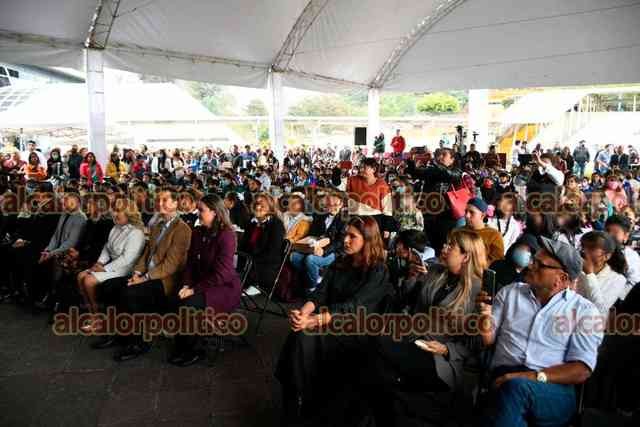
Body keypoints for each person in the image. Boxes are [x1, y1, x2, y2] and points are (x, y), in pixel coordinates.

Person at [358, 229, 487, 426]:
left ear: (466, 256)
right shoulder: (436, 271)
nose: (444, 248)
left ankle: (376, 415)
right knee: (375, 364)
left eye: (451, 246)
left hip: (439, 357)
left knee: (377, 353)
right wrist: (412, 278)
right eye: (446, 244)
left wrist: (446, 349)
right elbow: (407, 301)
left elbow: (476, 343)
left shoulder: (477, 292)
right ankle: (385, 414)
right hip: (412, 338)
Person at [476, 237, 603, 427]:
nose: (530, 266)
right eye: (532, 260)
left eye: (540, 265)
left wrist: (531, 377)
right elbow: (487, 340)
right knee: (507, 400)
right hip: (503, 377)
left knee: (513, 390)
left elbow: (581, 370)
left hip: (553, 388)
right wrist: (484, 314)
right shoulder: (510, 293)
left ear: (562, 279)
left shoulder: (585, 311)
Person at [275, 216, 391, 421]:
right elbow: (320, 293)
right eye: (345, 235)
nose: (345, 240)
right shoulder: (341, 261)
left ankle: (297, 396)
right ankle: (295, 395)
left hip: (355, 328)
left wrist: (313, 320)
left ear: (367, 240)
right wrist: (303, 313)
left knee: (304, 337)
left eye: (352, 236)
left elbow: (353, 307)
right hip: (330, 319)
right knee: (299, 334)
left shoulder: (378, 271)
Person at [92, 187, 192, 360]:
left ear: (176, 203)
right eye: (158, 200)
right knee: (108, 286)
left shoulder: (182, 229)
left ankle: (138, 343)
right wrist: (137, 272)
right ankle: (119, 334)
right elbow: (147, 254)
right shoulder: (157, 225)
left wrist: (144, 278)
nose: (160, 203)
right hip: (147, 274)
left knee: (130, 293)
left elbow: (171, 265)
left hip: (165, 281)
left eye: (165, 200)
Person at [169, 194, 242, 367]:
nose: (197, 213)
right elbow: (190, 264)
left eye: (201, 210)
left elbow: (222, 274)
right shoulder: (198, 232)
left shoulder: (226, 235)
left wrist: (193, 290)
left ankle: (194, 350)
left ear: (215, 212)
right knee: (176, 295)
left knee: (189, 304)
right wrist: (186, 284)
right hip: (203, 282)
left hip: (223, 288)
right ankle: (183, 345)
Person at [76, 198, 146, 333]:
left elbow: (127, 259)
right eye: (114, 210)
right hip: (111, 265)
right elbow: (107, 248)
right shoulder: (115, 227)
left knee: (89, 281)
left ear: (128, 213)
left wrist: (104, 268)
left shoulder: (136, 233)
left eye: (118, 211)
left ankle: (98, 319)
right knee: (80, 276)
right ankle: (93, 314)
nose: (114, 214)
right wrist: (100, 262)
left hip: (126, 269)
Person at [35, 191, 88, 310]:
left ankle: (55, 300)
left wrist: (51, 254)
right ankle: (47, 294)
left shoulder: (80, 218)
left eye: (70, 203)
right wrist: (48, 250)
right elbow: (56, 235)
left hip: (71, 252)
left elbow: (71, 243)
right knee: (39, 258)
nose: (67, 205)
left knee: (57, 264)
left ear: (78, 203)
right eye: (66, 202)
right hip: (58, 249)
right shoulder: (64, 214)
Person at [406, 147, 463, 254]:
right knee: (428, 244)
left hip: (446, 215)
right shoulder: (433, 169)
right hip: (429, 212)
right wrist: (411, 159)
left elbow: (448, 175)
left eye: (444, 155)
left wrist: (434, 162)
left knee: (442, 245)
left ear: (452, 160)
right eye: (439, 154)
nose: (440, 157)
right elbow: (415, 173)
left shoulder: (456, 171)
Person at [290, 192, 346, 293]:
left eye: (335, 204)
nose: (332, 206)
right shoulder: (321, 215)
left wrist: (324, 251)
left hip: (334, 252)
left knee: (310, 260)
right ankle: (316, 277)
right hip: (316, 247)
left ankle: (313, 287)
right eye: (329, 204)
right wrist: (312, 243)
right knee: (293, 256)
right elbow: (312, 232)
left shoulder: (344, 219)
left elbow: (339, 242)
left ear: (341, 204)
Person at [238, 193, 286, 289]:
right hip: (248, 263)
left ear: (270, 207)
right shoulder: (251, 222)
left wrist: (250, 261)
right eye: (256, 204)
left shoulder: (276, 225)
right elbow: (243, 246)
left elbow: (272, 253)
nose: (258, 207)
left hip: (265, 267)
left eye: (262, 205)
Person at [576, 231, 628, 316]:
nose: (583, 251)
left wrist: (589, 274)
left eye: (591, 248)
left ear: (606, 256)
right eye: (582, 246)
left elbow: (600, 309)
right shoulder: (576, 269)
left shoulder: (618, 279)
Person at [346, 157, 393, 237]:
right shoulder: (352, 180)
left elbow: (387, 208)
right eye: (360, 167)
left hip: (374, 221)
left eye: (364, 168)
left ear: (373, 169)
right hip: (354, 219)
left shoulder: (382, 184)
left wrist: (387, 228)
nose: (361, 170)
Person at [605, 215, 640, 296]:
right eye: (607, 231)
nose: (609, 235)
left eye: (615, 232)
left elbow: (633, 282)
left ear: (625, 236)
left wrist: (614, 296)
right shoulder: (598, 250)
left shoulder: (630, 256)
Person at [464, 198, 504, 264]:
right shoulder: (459, 231)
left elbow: (497, 261)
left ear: (482, 215)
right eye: (466, 212)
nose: (467, 216)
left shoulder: (494, 235)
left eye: (471, 212)